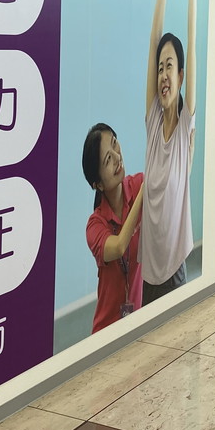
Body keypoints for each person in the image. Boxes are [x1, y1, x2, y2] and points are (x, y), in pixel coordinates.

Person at [141, 0, 196, 305]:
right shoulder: (151, 123)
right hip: (147, 274)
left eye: (170, 66)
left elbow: (191, 36)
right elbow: (154, 38)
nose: (163, 74)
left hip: (175, 273)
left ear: (180, 76)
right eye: (160, 67)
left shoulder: (186, 127)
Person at [82, 123, 144, 333]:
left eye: (115, 144)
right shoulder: (94, 226)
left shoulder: (137, 185)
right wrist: (142, 196)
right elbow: (118, 246)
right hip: (107, 330)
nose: (117, 157)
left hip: (136, 321)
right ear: (98, 184)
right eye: (108, 159)